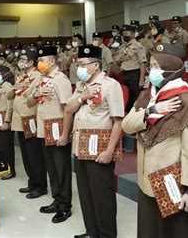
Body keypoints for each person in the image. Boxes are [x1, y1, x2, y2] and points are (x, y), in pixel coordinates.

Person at [122, 43, 188, 237]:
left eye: (155, 66)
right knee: (150, 230)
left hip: (175, 185)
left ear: (170, 68)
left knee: (176, 231)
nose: (150, 71)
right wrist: (152, 111)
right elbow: (127, 125)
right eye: (151, 65)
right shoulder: (148, 97)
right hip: (147, 181)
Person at [65, 45, 124, 238]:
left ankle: (107, 234)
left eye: (82, 64)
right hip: (80, 144)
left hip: (100, 146)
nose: (79, 67)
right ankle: (92, 231)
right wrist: (82, 97)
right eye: (78, 63)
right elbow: (69, 109)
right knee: (85, 192)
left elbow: (118, 121)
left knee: (102, 194)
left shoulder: (110, 85)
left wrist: (109, 151)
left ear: (95, 66)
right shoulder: (81, 85)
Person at [27, 45, 73, 224]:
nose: (39, 63)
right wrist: (36, 93)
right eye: (38, 60)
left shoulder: (60, 80)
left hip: (57, 128)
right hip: (43, 129)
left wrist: (65, 134)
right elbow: (30, 102)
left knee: (62, 168)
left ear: (52, 61)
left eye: (42, 60)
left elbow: (67, 109)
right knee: (52, 168)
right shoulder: (41, 79)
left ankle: (65, 205)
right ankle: (57, 199)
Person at [9, 47, 47, 198]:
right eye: (20, 60)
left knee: (34, 154)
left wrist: (20, 87)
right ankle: (32, 182)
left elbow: (30, 93)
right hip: (19, 118)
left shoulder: (36, 76)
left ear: (32, 62)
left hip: (30, 117)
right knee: (25, 153)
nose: (21, 62)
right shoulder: (20, 76)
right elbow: (10, 94)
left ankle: (40, 185)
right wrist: (17, 86)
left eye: (24, 60)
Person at [0, 65, 16, 180]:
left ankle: (10, 171)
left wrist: (7, 121)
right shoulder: (0, 86)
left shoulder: (8, 86)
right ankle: (4, 168)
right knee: (1, 146)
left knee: (6, 147)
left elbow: (10, 105)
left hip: (5, 120)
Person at [116, 24, 147, 112]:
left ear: (133, 34)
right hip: (125, 74)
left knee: (136, 96)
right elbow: (117, 62)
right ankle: (129, 115)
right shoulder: (122, 47)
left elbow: (143, 63)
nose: (125, 35)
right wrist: (121, 59)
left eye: (127, 33)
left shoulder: (138, 46)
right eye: (124, 33)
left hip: (135, 74)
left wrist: (141, 79)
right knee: (127, 96)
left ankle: (140, 114)